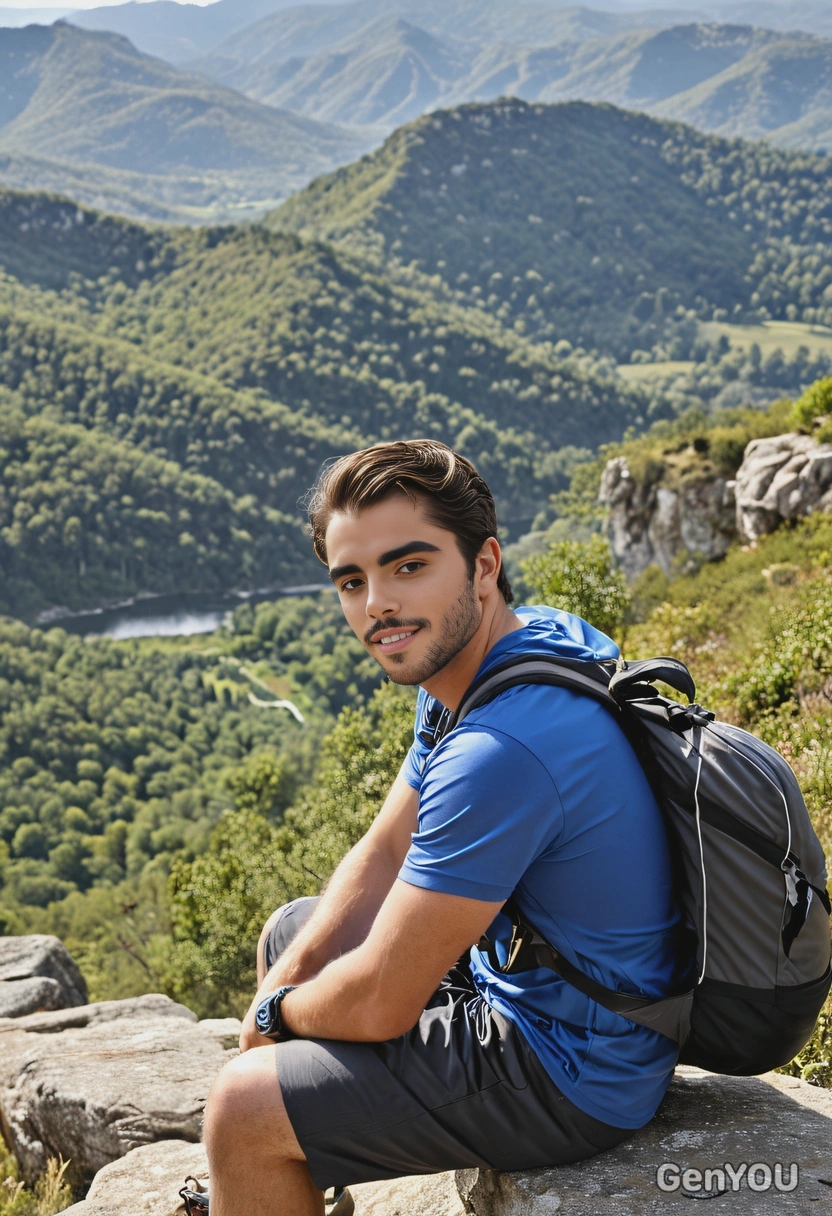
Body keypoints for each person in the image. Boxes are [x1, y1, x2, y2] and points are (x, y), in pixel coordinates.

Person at [203, 440, 681, 1216]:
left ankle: (275, 1153)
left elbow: (383, 1004)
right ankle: (297, 1172)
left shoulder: (501, 751)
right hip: (546, 984)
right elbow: (389, 846)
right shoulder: (502, 655)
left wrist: (271, 1016)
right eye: (351, 580)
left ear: (484, 564)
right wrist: (290, 980)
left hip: (577, 1063)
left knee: (241, 1108)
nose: (376, 604)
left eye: (409, 565)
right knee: (293, 936)